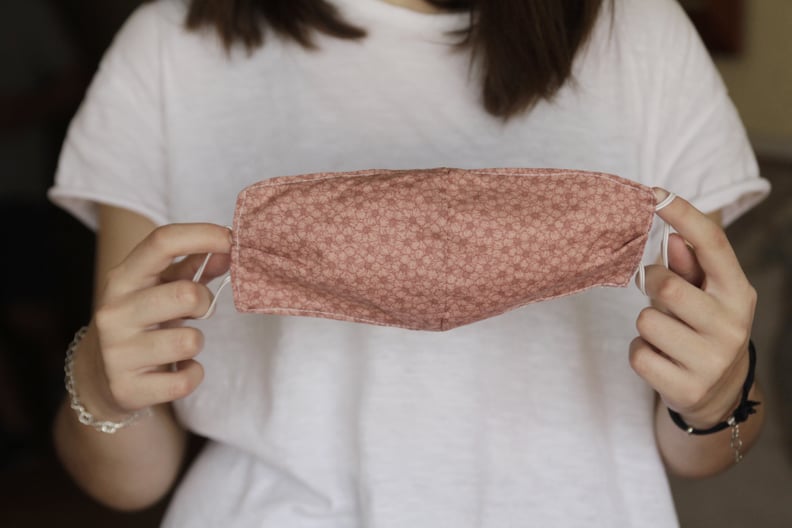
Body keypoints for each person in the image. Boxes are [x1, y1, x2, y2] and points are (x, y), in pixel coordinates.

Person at [49, 0, 770, 525]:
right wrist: (100, 389)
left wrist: (717, 398)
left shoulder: (639, 32)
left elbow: (704, 450)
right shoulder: (173, 44)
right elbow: (131, 482)